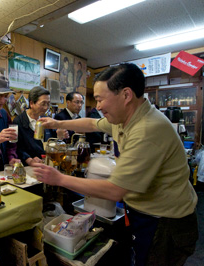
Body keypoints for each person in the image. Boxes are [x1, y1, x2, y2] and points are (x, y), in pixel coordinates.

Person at [34, 63, 198, 266]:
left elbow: (115, 190)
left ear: (126, 95)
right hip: (144, 212)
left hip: (165, 222)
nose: (98, 106)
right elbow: (91, 124)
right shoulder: (125, 118)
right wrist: (57, 123)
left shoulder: (147, 130)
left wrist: (59, 178)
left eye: (101, 99)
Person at [13, 86, 53, 166]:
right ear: (31, 103)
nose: (46, 108)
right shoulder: (17, 121)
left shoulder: (46, 120)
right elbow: (16, 147)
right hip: (27, 167)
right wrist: (29, 159)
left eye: (48, 104)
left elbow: (49, 142)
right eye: (43, 104)